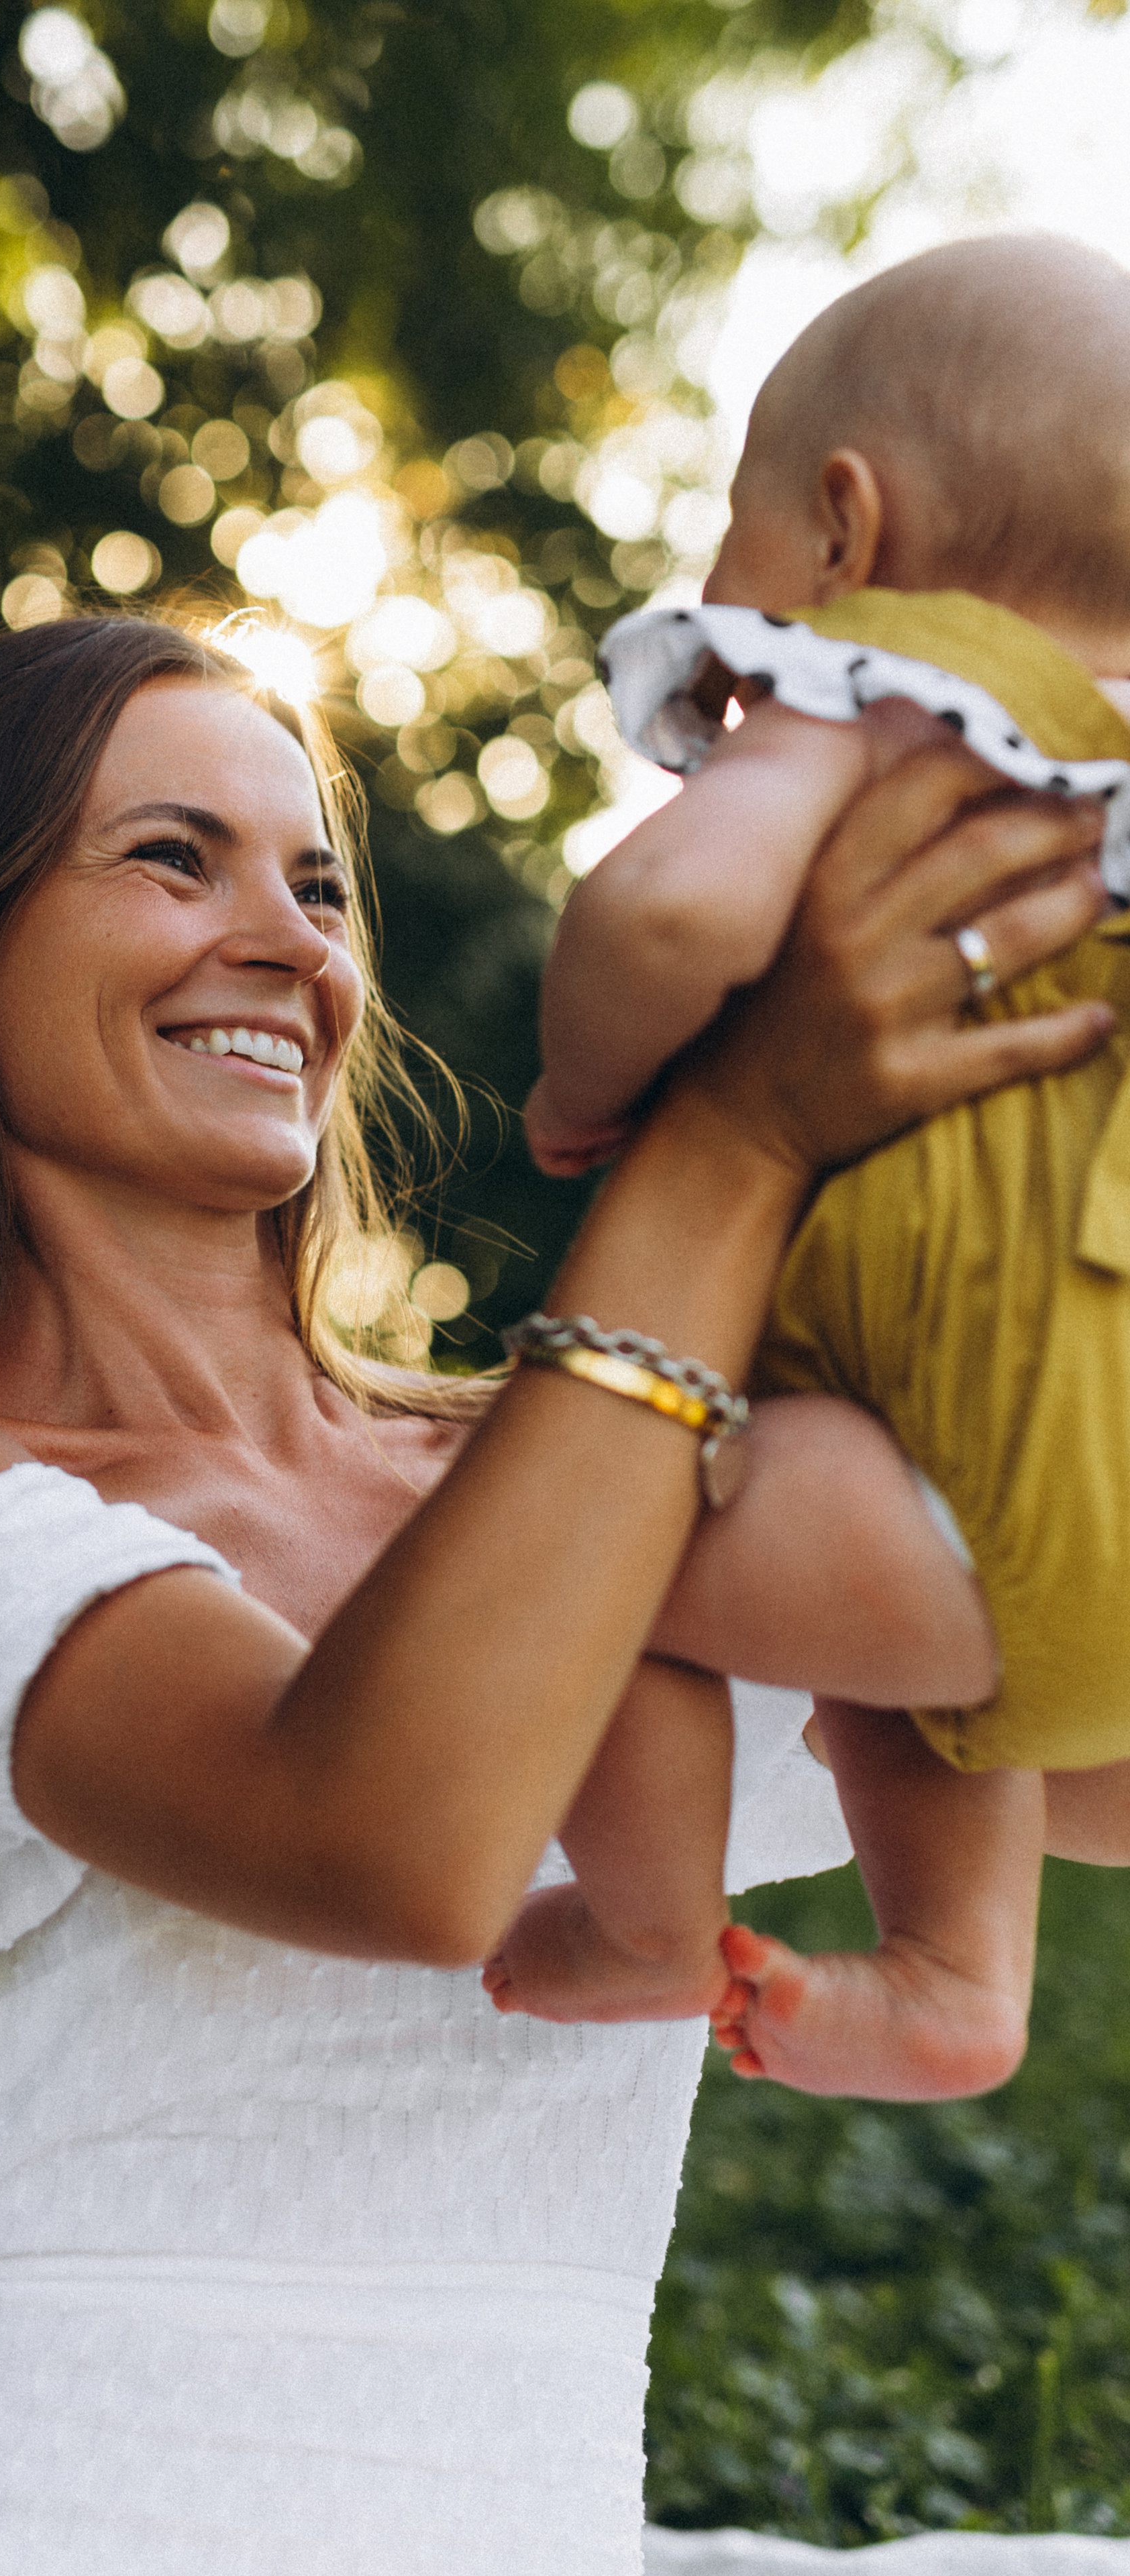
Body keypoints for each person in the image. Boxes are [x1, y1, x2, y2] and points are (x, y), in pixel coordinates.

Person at [0, 610, 1107, 2575]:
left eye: (316, 885)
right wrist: (742, 1134)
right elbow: (395, 1846)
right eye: (173, 858)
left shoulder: (558, 1477)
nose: (292, 942)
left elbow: (1063, 1722)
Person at [494, 237, 1130, 2104]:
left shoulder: (880, 698)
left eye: (734, 524)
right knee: (900, 1627)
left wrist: (584, 1079)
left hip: (967, 1463)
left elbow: (673, 903)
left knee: (594, 1532)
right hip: (1093, 1461)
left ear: (845, 525)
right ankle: (953, 1981)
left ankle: (643, 1925)